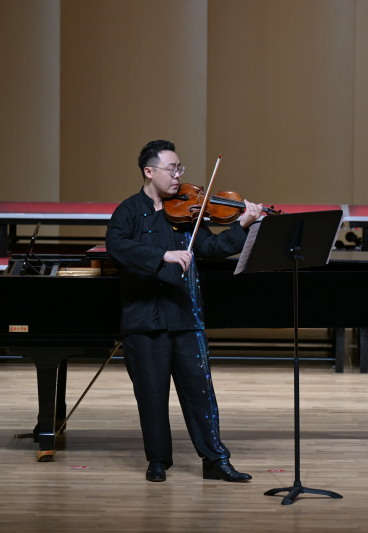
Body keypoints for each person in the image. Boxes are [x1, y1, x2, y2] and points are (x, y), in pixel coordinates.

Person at [106, 140, 262, 483]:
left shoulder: (188, 213)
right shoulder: (127, 211)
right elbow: (116, 246)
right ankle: (158, 461)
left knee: (201, 394)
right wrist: (162, 255)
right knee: (151, 395)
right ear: (149, 171)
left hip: (185, 316)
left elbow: (212, 247)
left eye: (180, 169)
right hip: (144, 319)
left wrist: (242, 225)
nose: (178, 175)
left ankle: (215, 461)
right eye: (171, 169)